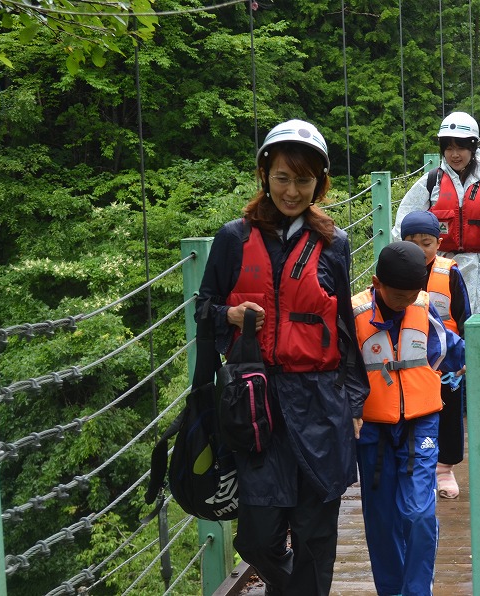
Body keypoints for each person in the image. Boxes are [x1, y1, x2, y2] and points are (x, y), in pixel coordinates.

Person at [196, 119, 369, 596]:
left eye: (304, 180)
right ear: (264, 176)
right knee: (256, 538)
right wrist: (228, 315)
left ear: (321, 183)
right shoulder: (233, 238)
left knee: (316, 535)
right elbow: (203, 308)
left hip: (319, 404)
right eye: (282, 178)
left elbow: (342, 330)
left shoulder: (334, 245)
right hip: (257, 405)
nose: (292, 191)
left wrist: (354, 401)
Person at [352, 241, 465, 596]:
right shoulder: (353, 314)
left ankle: (417, 592)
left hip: (421, 423)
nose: (406, 301)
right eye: (398, 295)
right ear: (376, 282)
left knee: (418, 514)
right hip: (371, 429)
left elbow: (453, 350)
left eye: (412, 293)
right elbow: (337, 369)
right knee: (381, 521)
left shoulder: (424, 308)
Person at [393, 111, 480, 315]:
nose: (455, 155)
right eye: (449, 148)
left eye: (461, 148)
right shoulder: (432, 182)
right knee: (446, 329)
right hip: (442, 270)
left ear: (472, 148)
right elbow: (403, 225)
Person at [400, 210, 471, 499]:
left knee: (449, 413)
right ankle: (415, 467)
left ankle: (444, 469)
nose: (420, 249)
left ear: (438, 243)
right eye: (412, 242)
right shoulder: (394, 270)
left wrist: (465, 357)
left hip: (446, 362)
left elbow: (464, 316)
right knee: (410, 412)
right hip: (408, 358)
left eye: (426, 242)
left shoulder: (450, 273)